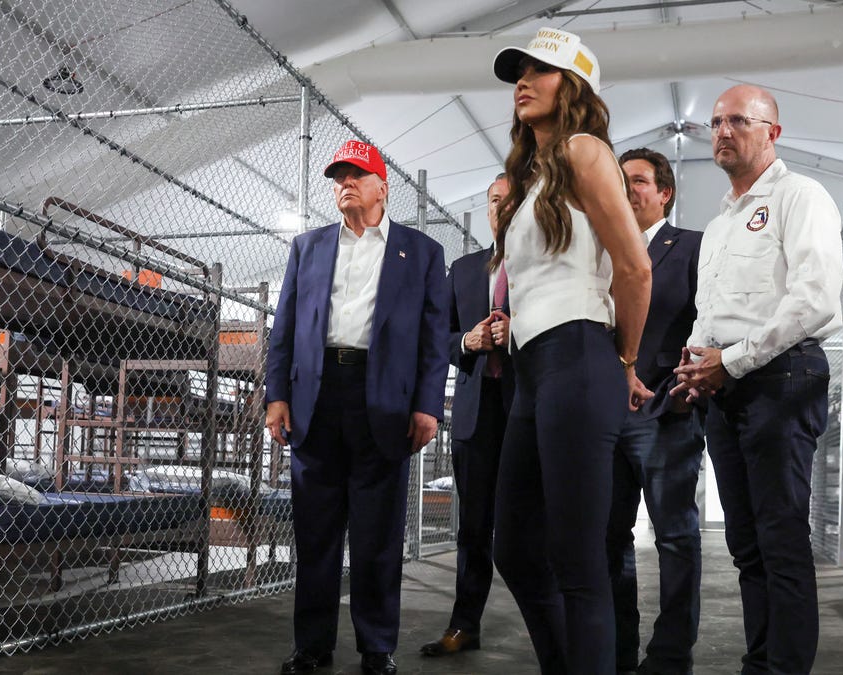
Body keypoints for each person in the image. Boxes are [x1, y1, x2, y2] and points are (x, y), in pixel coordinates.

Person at [489, 28, 653, 674]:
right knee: (514, 548)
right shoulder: (531, 178)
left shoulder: (586, 152)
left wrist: (627, 360)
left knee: (580, 561)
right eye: (519, 72)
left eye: (541, 70)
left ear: (574, 85)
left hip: (582, 355)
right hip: (536, 369)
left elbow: (635, 269)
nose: (523, 81)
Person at [671, 84, 843, 675]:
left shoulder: (801, 197)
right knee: (746, 544)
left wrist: (734, 359)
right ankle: (760, 661)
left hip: (782, 376)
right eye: (716, 122)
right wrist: (699, 363)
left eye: (739, 120)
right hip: (727, 386)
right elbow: (710, 311)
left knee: (781, 537)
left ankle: (784, 667)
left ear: (773, 132)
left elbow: (814, 300)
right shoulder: (718, 225)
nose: (723, 130)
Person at [265, 139, 449, 675]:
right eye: (339, 176)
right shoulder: (308, 247)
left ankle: (377, 646)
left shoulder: (421, 252)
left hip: (384, 399)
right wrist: (277, 396)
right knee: (316, 531)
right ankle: (312, 646)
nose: (345, 182)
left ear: (381, 188)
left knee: (377, 533)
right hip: (316, 396)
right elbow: (284, 330)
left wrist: (427, 406)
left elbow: (434, 341)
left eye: (356, 174)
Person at [606, 148, 704, 675]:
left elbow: (706, 320)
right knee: (609, 537)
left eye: (639, 181)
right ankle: (619, 653)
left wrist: (684, 388)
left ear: (664, 192)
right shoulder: (603, 250)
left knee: (674, 535)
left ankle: (669, 657)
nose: (628, 189)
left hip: (666, 410)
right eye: (621, 181)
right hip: (606, 414)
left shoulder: (690, 247)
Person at [419, 174, 515, 658]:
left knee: (534, 528)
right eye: (493, 200)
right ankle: (464, 625)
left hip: (529, 409)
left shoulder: (546, 266)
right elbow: (437, 336)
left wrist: (517, 333)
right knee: (473, 527)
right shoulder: (462, 268)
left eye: (509, 198)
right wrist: (466, 342)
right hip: (478, 411)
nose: (500, 207)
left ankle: (555, 626)